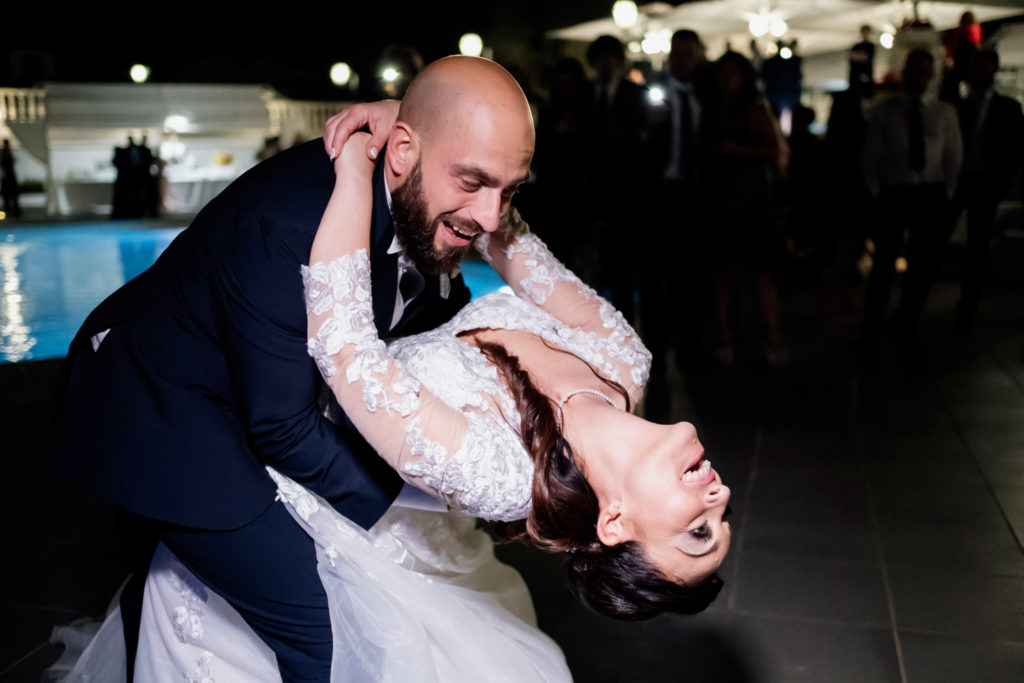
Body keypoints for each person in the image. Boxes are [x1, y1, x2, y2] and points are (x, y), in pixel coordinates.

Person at [54, 57, 509, 682]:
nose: (490, 217)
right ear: (402, 151)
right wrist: (424, 493)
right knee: (327, 633)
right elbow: (280, 427)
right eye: (473, 182)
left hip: (243, 387)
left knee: (160, 590)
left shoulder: (427, 196)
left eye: (508, 191)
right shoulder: (290, 222)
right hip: (157, 403)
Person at [861, 49, 962, 349]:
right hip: (896, 191)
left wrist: (947, 192)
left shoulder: (944, 112)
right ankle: (873, 321)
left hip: (929, 191)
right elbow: (871, 154)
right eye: (913, 71)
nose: (918, 77)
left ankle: (908, 319)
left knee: (921, 263)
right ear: (905, 74)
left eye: (923, 71)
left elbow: (954, 155)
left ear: (931, 75)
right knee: (884, 261)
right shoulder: (887, 110)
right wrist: (877, 190)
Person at [702, 51, 789, 366]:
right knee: (722, 271)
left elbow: (773, 151)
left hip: (751, 198)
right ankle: (727, 337)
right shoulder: (710, 110)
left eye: (733, 73)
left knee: (761, 271)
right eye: (723, 73)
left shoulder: (754, 110)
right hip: (720, 199)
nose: (728, 79)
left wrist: (736, 150)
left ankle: (773, 335)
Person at [951, 48, 1024, 334]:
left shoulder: (1008, 108)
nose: (977, 72)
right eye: (974, 66)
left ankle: (967, 308)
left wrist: (1002, 183)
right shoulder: (960, 105)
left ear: (993, 69)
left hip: (984, 184)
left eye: (982, 66)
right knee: (944, 242)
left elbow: (1015, 149)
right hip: (960, 182)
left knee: (977, 249)